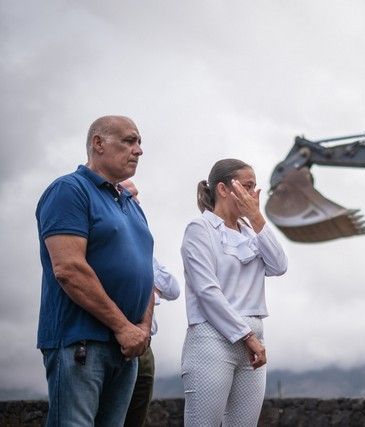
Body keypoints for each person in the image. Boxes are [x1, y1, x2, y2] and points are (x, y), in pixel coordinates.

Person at [35, 115, 154, 426]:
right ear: (98, 144)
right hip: (81, 343)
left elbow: (145, 270)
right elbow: (69, 269)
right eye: (129, 140)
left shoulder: (130, 203)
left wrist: (141, 328)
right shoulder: (68, 190)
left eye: (139, 142)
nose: (138, 150)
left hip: (125, 348)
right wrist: (123, 327)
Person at [180, 158, 288, 426]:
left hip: (254, 332)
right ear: (223, 189)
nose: (253, 194)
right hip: (212, 336)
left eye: (254, 187)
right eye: (247, 186)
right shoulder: (199, 229)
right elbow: (207, 291)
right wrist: (247, 337)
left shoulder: (252, 231)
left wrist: (257, 217)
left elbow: (279, 266)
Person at [120, 179, 181, 427]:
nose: (136, 201)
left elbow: (174, 289)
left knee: (137, 417)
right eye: (129, 196)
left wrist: (148, 279)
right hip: (115, 339)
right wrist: (149, 285)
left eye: (136, 196)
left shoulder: (145, 247)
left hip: (145, 345)